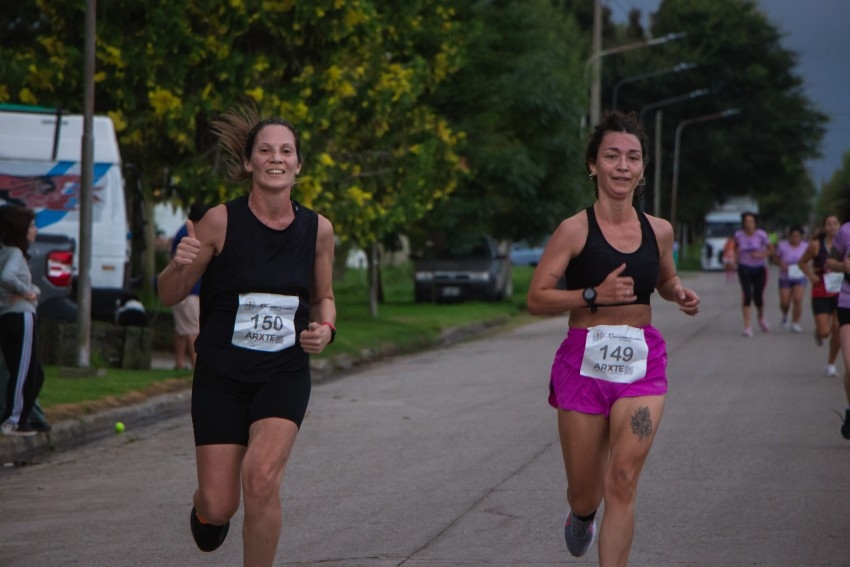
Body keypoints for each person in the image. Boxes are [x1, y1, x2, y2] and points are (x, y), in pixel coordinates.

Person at [157, 108, 336, 566]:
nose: (276, 158)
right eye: (265, 150)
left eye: (286, 150)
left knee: (260, 477)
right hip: (221, 374)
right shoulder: (219, 221)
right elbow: (169, 295)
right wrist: (179, 263)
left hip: (283, 371)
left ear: (298, 165)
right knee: (219, 507)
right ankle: (205, 506)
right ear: (249, 164)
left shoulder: (318, 230)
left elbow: (323, 298)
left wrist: (326, 330)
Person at [526, 111, 700, 566]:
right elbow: (536, 298)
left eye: (632, 157)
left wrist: (677, 291)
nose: (622, 166)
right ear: (593, 165)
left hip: (641, 361)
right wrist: (591, 295)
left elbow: (664, 279)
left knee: (622, 478)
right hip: (583, 362)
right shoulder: (574, 230)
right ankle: (581, 515)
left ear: (643, 169)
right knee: (586, 492)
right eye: (612, 156)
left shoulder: (658, 230)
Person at [0, 205, 45, 436]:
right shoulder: (14, 254)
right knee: (23, 371)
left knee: (33, 371)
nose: (35, 230)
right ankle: (14, 419)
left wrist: (30, 289)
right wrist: (26, 292)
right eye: (31, 226)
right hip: (21, 315)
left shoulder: (6, 253)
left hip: (9, 316)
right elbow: (7, 277)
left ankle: (27, 415)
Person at [798, 215, 841, 377]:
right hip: (821, 291)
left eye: (835, 223)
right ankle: (818, 332)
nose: (832, 226)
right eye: (829, 224)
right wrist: (811, 275)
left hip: (840, 292)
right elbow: (801, 262)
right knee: (825, 332)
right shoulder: (815, 245)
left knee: (838, 328)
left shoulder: (845, 245)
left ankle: (830, 363)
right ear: (824, 228)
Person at [170, 203, 209, 370]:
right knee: (193, 330)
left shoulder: (182, 231)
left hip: (180, 291)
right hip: (189, 291)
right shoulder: (191, 235)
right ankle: (197, 366)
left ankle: (179, 363)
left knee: (181, 329)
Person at [733, 211, 774, 336]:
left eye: (751, 222)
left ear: (755, 223)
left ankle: (761, 318)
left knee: (758, 297)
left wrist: (761, 255)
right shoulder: (739, 235)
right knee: (747, 295)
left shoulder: (761, 235)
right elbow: (735, 248)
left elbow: (771, 249)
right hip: (744, 268)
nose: (748, 224)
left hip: (759, 269)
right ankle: (747, 326)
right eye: (746, 222)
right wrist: (734, 258)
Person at [773, 225, 808, 332]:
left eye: (797, 236)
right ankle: (785, 314)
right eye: (792, 236)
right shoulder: (783, 246)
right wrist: (780, 263)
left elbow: (810, 258)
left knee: (797, 299)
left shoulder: (806, 246)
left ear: (801, 237)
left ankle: (795, 322)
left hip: (799, 275)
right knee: (785, 301)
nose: (794, 238)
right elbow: (775, 258)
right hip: (785, 276)